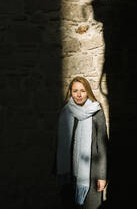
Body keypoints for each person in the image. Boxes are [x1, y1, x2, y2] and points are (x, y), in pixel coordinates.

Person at [55, 76, 109, 209]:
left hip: (91, 173)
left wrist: (102, 176)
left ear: (88, 92)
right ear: (70, 92)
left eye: (82, 91)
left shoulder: (96, 112)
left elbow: (102, 147)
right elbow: (59, 144)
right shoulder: (66, 112)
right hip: (69, 171)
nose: (78, 95)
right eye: (75, 91)